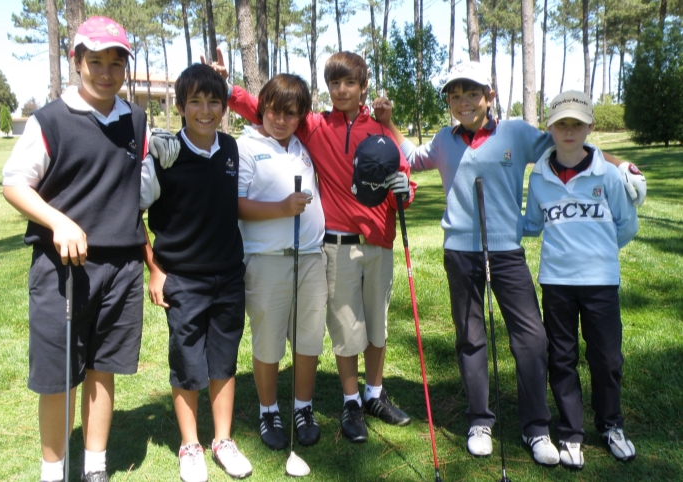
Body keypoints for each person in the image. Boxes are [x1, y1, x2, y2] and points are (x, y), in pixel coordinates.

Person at [374, 61, 646, 466]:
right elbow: (412, 158)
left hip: (505, 251)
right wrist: (388, 123)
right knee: (470, 337)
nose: (463, 102)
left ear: (489, 96)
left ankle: (536, 427)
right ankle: (480, 420)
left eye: (471, 93)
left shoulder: (515, 132)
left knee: (532, 339)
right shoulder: (444, 140)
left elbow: (567, 144)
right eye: (455, 95)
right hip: (460, 252)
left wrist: (618, 165)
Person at [204, 49, 415, 443]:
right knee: (345, 328)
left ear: (363, 86)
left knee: (368, 327)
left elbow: (400, 172)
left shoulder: (377, 129)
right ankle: (340, 402)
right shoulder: (314, 128)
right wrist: (226, 86)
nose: (340, 90)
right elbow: (265, 110)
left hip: (366, 244)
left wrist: (407, 189)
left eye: (349, 82)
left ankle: (365, 396)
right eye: (334, 83)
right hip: (324, 248)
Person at [2, 16, 147, 482]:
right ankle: (53, 470)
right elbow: (14, 183)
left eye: (115, 62)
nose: (106, 72)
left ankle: (95, 467)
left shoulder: (135, 120)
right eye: (95, 62)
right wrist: (58, 220)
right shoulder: (50, 120)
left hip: (122, 267)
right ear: (76, 61)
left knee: (103, 369)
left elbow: (136, 189)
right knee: (58, 377)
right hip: (63, 268)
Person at [141, 64, 252, 482]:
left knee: (224, 360)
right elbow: (133, 215)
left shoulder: (230, 149)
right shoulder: (165, 153)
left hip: (227, 274)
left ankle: (222, 440)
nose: (205, 110)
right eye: (195, 102)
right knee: (188, 363)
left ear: (224, 107)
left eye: (213, 102)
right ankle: (191, 444)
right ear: (181, 106)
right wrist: (154, 269)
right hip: (183, 279)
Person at [523, 91, 638, 468]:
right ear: (550, 129)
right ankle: (571, 432)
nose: (569, 131)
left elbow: (626, 225)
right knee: (563, 358)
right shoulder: (539, 177)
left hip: (601, 282)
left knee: (606, 357)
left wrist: (600, 252)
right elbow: (535, 225)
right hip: (556, 282)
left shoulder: (608, 174)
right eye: (561, 124)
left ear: (590, 126)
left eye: (576, 123)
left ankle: (610, 425)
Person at [235, 74, 326, 450]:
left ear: (301, 115)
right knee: (269, 342)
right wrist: (281, 208)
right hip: (267, 260)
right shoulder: (245, 146)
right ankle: (268, 409)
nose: (280, 119)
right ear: (262, 107)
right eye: (273, 110)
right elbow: (235, 205)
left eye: (290, 113)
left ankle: (303, 407)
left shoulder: (303, 145)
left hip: (310, 259)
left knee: (308, 340)